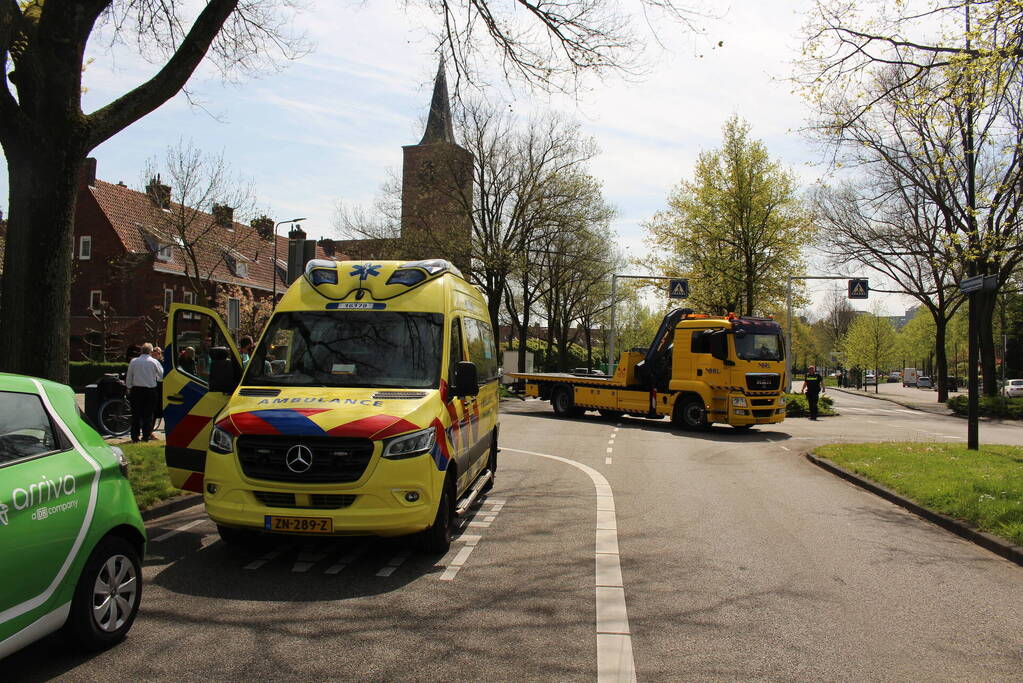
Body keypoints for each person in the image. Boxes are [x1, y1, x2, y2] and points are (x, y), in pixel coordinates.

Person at [126, 342, 164, 442]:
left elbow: (129, 376)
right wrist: (155, 379)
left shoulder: (134, 361)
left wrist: (129, 387)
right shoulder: (154, 362)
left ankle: (135, 436)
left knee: (136, 415)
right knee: (148, 415)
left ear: (141, 351)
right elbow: (161, 375)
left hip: (136, 390)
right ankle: (146, 436)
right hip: (150, 390)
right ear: (151, 351)